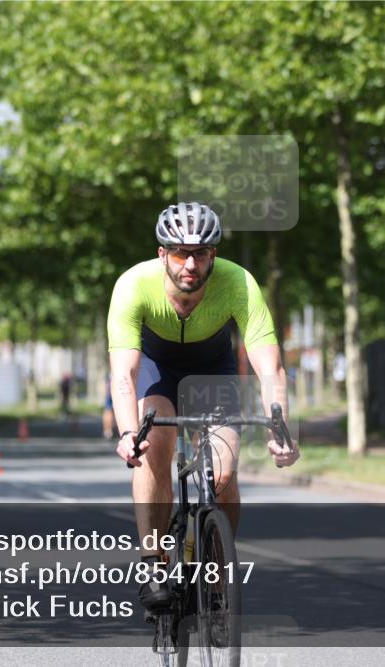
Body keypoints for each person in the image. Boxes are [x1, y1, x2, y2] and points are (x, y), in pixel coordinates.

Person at [107, 201, 300, 612]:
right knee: (153, 445)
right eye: (179, 253)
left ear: (214, 254)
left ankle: (214, 568)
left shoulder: (238, 283)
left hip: (213, 371)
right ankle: (154, 564)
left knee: (224, 470)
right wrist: (127, 433)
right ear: (163, 255)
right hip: (157, 371)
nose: (189, 264)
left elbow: (271, 366)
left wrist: (282, 430)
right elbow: (124, 373)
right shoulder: (132, 285)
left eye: (200, 253)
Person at [102, 372, 116, 440]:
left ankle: (107, 431)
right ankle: (109, 430)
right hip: (114, 391)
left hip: (110, 392)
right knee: (110, 411)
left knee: (108, 411)